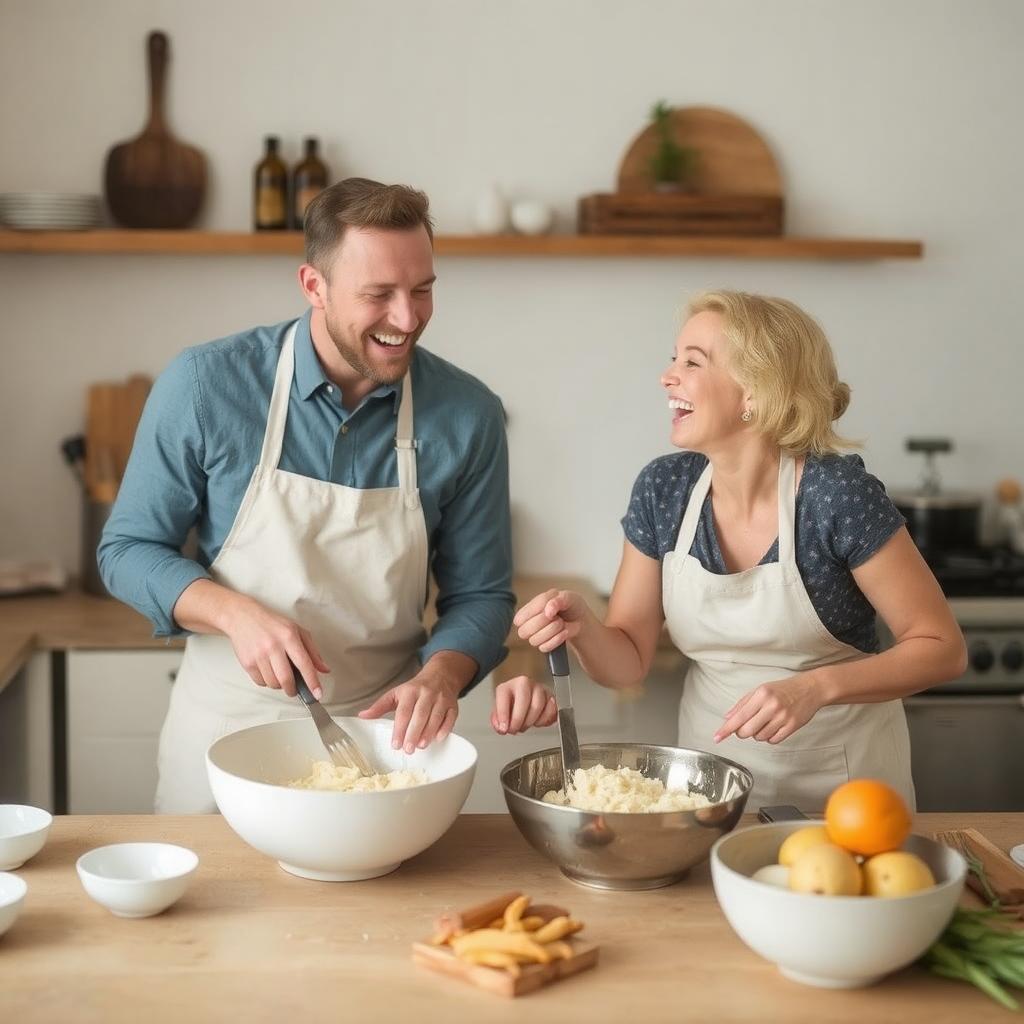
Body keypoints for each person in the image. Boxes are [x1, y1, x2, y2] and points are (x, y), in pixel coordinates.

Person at [99, 177, 554, 813]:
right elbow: (126, 549)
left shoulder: (468, 415)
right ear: (314, 286)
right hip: (227, 730)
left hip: (386, 742)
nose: (407, 318)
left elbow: (479, 595)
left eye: (422, 290)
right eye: (379, 295)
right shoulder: (206, 386)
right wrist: (235, 614)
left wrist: (442, 675)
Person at [511, 290, 966, 810]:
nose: (668, 376)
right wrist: (583, 628)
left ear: (754, 393)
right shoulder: (665, 489)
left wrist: (816, 688)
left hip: (845, 790)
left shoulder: (836, 495)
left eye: (692, 362)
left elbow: (942, 647)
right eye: (673, 358)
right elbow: (629, 660)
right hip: (711, 789)